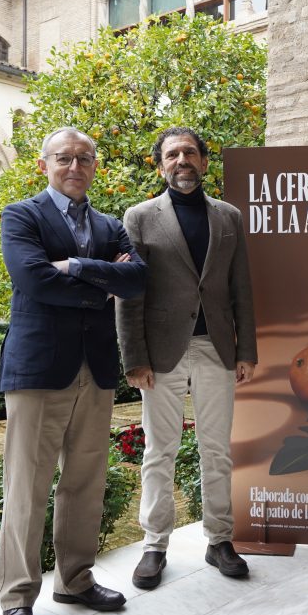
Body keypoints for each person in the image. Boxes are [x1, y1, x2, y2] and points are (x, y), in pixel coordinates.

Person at [0, 126, 146, 615]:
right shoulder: (21, 215)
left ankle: (75, 580)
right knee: (27, 488)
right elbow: (33, 278)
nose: (75, 166)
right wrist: (103, 283)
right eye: (64, 158)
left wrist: (79, 266)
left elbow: (138, 280)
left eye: (85, 159)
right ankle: (17, 598)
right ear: (44, 165)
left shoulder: (109, 225)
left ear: (94, 167)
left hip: (96, 368)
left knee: (85, 482)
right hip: (40, 369)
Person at [116, 126, 257, 589]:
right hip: (161, 355)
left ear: (203, 161)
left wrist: (246, 350)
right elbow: (129, 293)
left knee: (217, 449)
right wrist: (134, 358)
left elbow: (241, 287)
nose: (183, 160)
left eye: (190, 153)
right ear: (161, 165)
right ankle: (155, 544)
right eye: (173, 154)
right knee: (160, 450)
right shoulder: (138, 216)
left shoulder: (228, 216)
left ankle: (219, 540)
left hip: (216, 348)